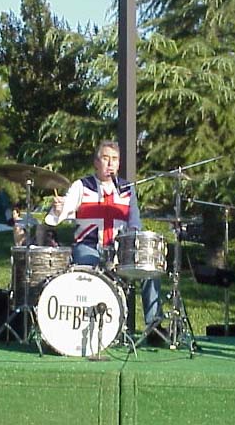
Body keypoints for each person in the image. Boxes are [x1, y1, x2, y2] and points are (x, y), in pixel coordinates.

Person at [44, 140, 164, 344]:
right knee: (87, 265)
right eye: (105, 158)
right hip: (89, 248)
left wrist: (131, 245)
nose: (110, 164)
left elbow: (134, 222)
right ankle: (86, 325)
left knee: (149, 270)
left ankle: (154, 327)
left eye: (114, 159)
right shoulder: (82, 186)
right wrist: (58, 208)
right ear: (96, 162)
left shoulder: (126, 189)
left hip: (118, 250)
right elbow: (62, 213)